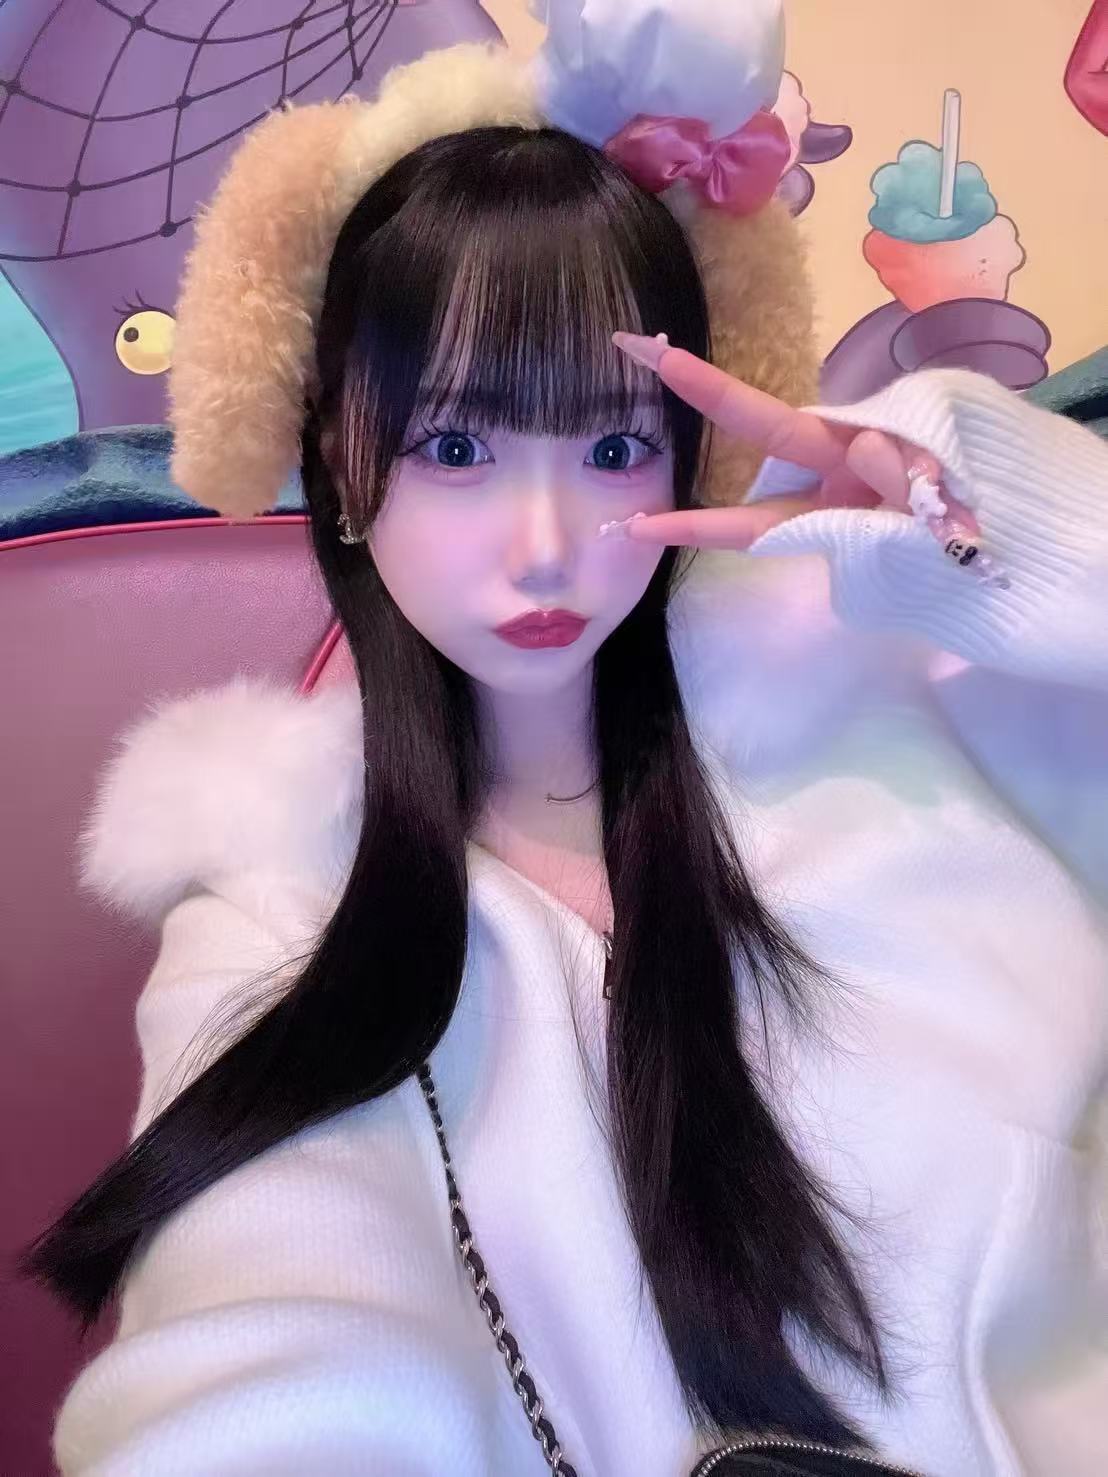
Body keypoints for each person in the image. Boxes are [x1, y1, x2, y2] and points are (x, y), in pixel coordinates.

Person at [21, 4, 1107, 1475]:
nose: (545, 543)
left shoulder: (885, 695)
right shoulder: (277, 898)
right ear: (339, 458)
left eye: (611, 445)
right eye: (457, 446)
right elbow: (268, 1339)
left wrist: (995, 527)